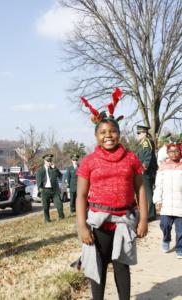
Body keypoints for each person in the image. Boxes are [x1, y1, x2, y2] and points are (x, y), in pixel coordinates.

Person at [76, 87, 148, 300]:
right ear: (96, 136)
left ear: (119, 133)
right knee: (96, 269)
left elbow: (140, 189)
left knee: (122, 268)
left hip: (124, 221)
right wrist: (82, 225)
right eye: (103, 132)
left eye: (112, 131)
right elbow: (80, 195)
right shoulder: (89, 161)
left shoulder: (131, 158)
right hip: (98, 223)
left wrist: (143, 219)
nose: (108, 136)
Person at [153, 143, 182, 258]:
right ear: (167, 153)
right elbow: (158, 185)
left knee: (180, 230)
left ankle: (180, 247)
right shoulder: (163, 167)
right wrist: (157, 201)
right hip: (166, 203)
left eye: (176, 151)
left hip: (180, 203)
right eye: (171, 151)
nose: (173, 154)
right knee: (164, 224)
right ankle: (166, 239)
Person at [136, 125, 158, 221]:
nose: (138, 135)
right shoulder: (142, 143)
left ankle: (151, 214)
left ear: (144, 133)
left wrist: (143, 168)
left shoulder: (146, 142)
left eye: (139, 133)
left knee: (148, 192)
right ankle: (149, 213)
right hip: (144, 170)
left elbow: (147, 156)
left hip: (146, 171)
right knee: (146, 192)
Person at [36, 153, 65, 222]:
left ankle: (61, 217)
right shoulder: (40, 170)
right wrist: (41, 190)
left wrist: (55, 168)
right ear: (44, 161)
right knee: (46, 206)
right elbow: (38, 183)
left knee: (59, 204)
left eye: (50, 161)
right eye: (48, 161)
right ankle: (47, 219)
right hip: (45, 190)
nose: (49, 162)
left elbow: (60, 177)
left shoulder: (53, 169)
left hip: (55, 190)